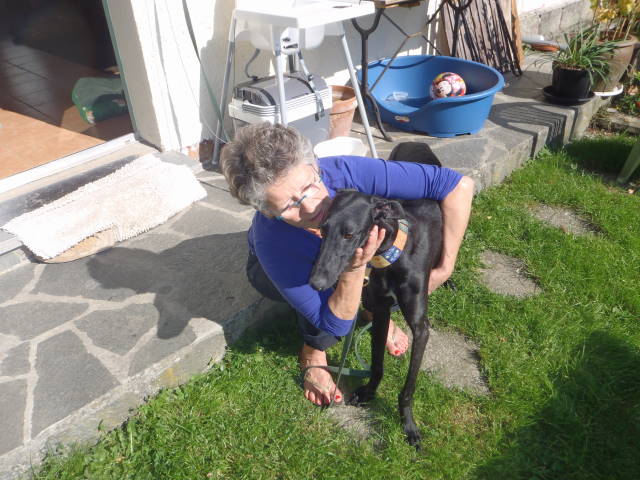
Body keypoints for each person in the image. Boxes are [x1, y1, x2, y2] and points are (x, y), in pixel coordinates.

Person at [220, 123, 474, 406]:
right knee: (323, 281)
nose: (311, 207)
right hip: (274, 270)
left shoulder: (344, 171)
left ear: (314, 165)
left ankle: (373, 311)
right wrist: (354, 269)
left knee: (386, 272)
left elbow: (458, 186)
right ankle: (313, 353)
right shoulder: (272, 242)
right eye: (288, 206)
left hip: (343, 255)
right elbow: (334, 323)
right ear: (267, 211)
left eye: (309, 186)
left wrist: (444, 268)